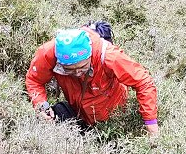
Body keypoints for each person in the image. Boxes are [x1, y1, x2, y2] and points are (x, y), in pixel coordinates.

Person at [25, 27, 159, 138]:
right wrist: (42, 105)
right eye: (69, 70)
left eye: (82, 67)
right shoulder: (47, 54)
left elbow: (143, 82)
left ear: (90, 55)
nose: (78, 73)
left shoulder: (108, 56)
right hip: (78, 112)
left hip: (114, 117)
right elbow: (34, 80)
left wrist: (150, 122)